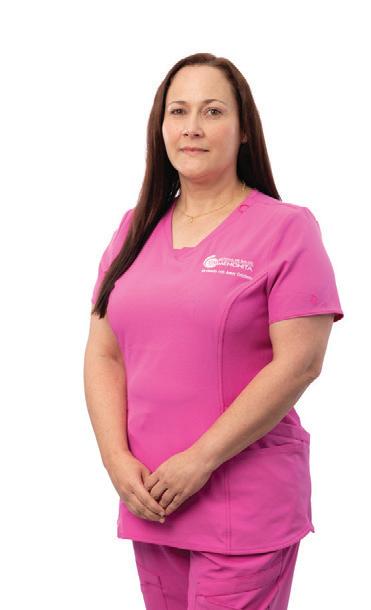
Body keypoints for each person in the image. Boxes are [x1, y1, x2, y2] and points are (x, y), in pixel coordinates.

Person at [84, 52, 344, 610]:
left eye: (213, 111)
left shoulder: (287, 229)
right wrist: (114, 458)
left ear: (244, 128)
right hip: (152, 498)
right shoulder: (134, 229)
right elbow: (105, 353)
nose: (192, 127)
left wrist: (200, 459)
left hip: (242, 505)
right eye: (178, 111)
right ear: (160, 127)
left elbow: (300, 363)